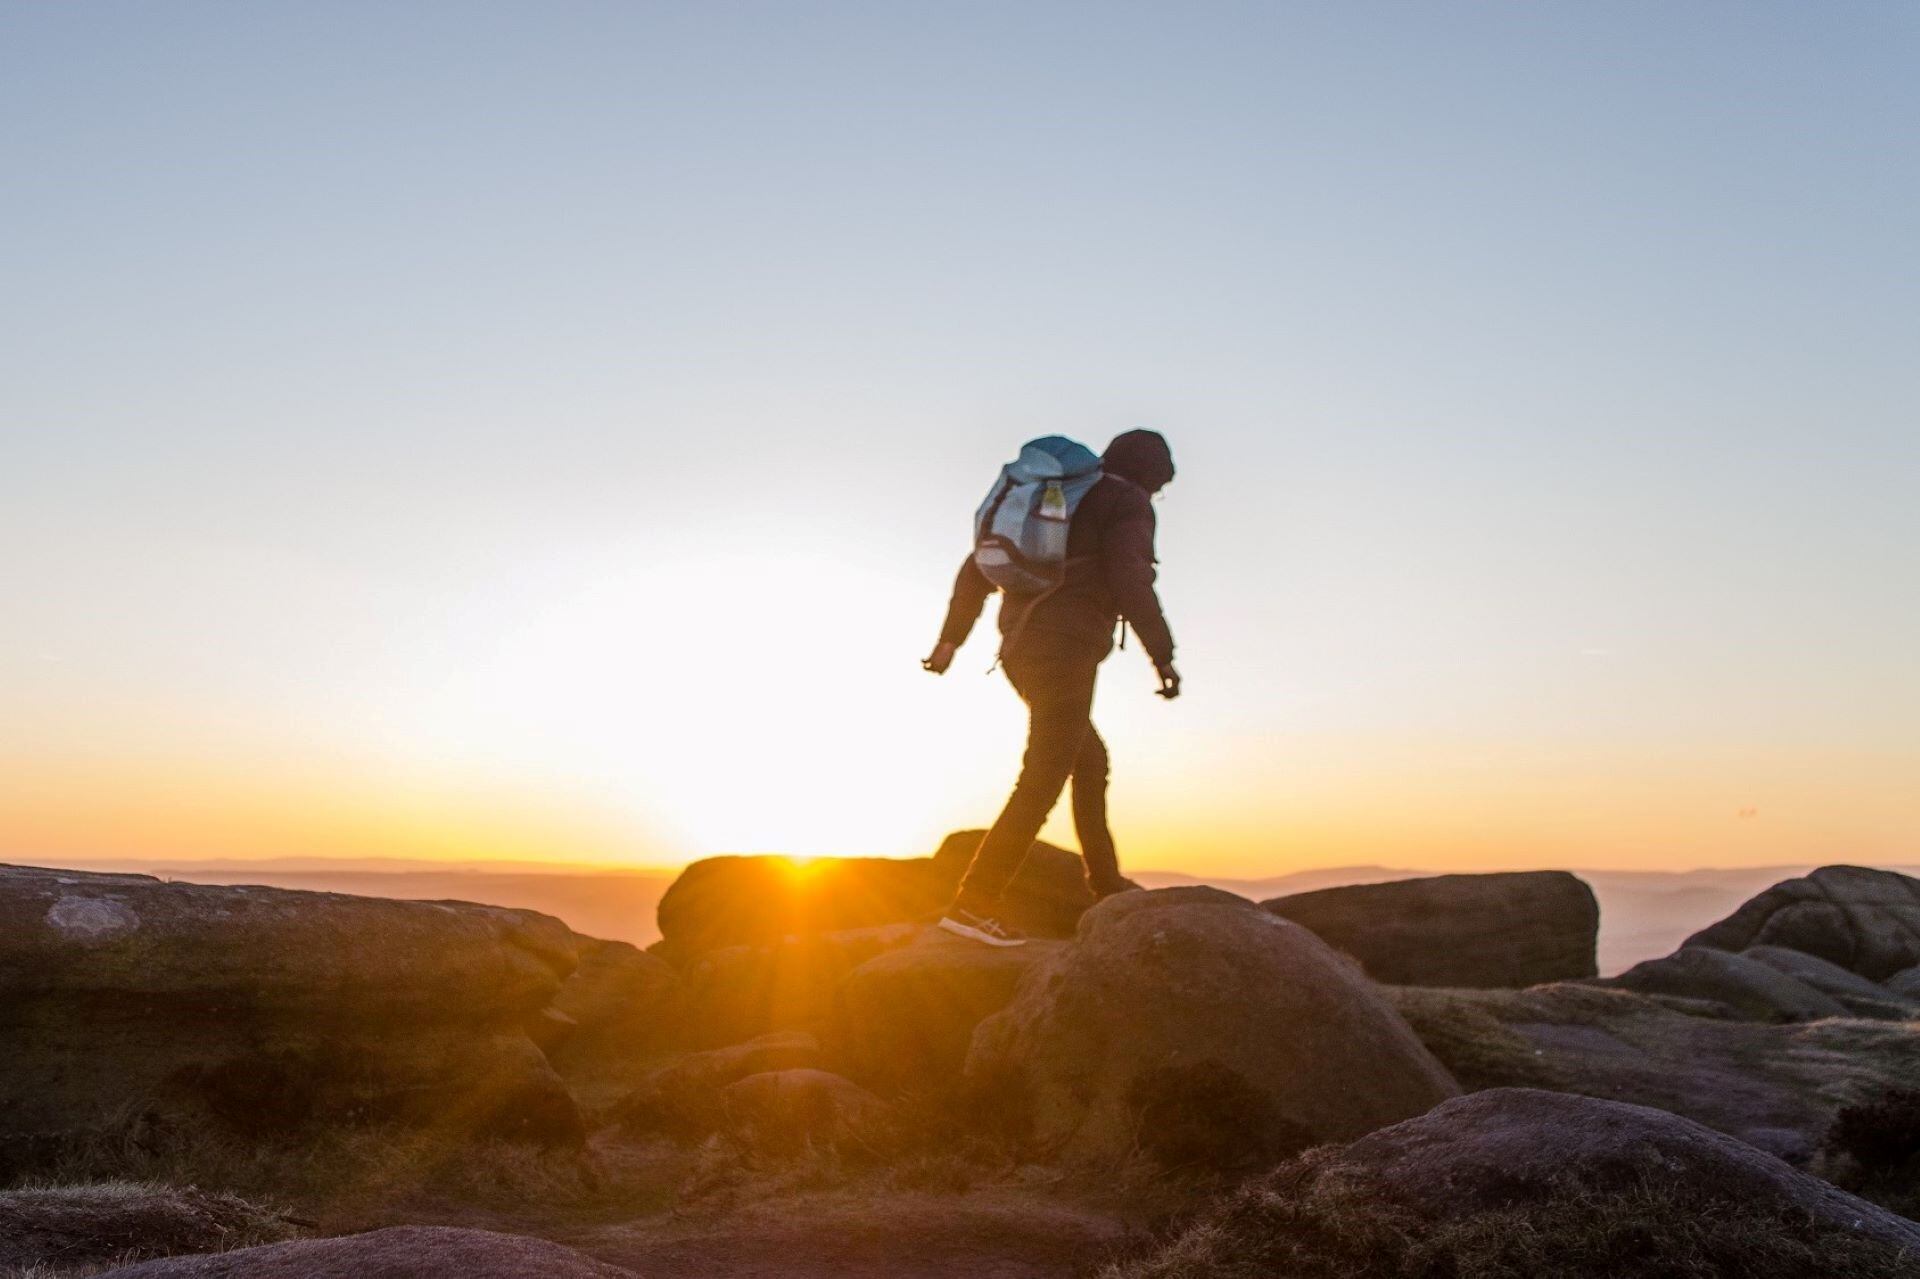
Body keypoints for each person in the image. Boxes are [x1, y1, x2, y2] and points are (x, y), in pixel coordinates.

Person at [922, 429, 1179, 946]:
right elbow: (1131, 577)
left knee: (1087, 761)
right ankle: (973, 904)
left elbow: (976, 568)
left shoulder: (1058, 498)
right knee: (1043, 776)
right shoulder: (1125, 502)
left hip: (1020, 649)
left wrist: (950, 642)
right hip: (1065, 651)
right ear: (1151, 477)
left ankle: (1105, 888)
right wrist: (1163, 655)